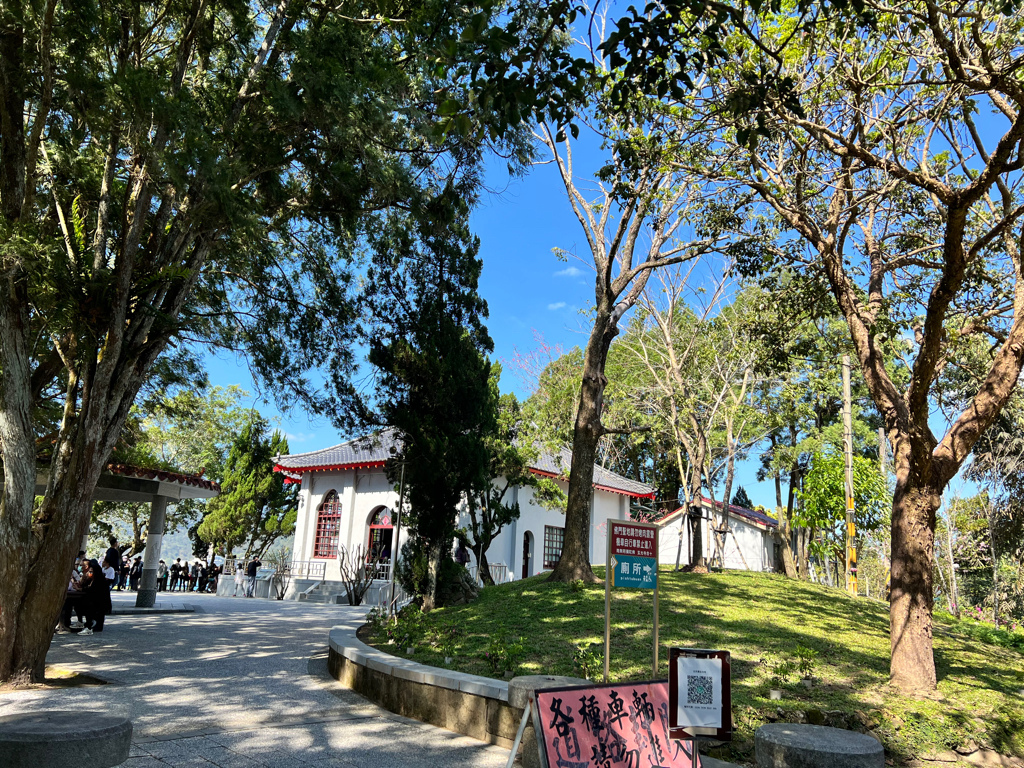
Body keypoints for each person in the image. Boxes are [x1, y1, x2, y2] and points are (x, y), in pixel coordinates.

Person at [80, 559, 112, 635]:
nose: (90, 573)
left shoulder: (100, 580)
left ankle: (93, 626)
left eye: (91, 572)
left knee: (97, 614)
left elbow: (93, 590)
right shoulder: (93, 579)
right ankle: (91, 625)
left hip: (99, 602)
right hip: (95, 602)